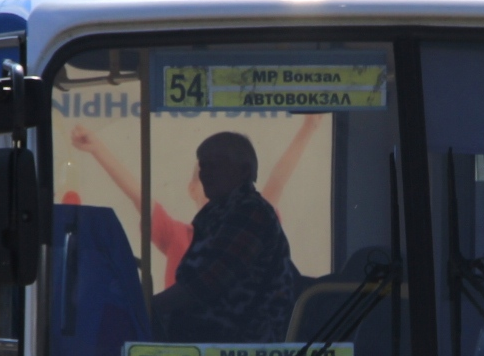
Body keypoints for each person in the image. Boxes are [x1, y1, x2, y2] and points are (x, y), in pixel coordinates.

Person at [68, 114, 323, 284]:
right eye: (207, 175)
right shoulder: (176, 235)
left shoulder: (257, 222)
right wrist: (97, 148)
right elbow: (139, 196)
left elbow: (277, 181)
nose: (219, 185)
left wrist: (309, 126)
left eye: (228, 176)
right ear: (192, 188)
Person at [151, 131, 297, 342]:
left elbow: (207, 283)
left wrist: (147, 306)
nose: (206, 174)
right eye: (203, 166)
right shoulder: (221, 212)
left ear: (244, 170)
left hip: (240, 343)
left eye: (215, 166)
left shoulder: (250, 212)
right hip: (212, 335)